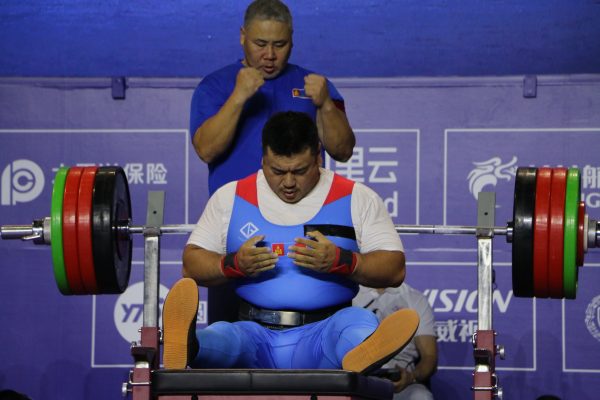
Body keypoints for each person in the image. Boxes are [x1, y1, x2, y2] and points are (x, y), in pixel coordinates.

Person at [162, 111, 418, 373]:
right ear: (263, 159)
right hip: (255, 333)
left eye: (300, 171)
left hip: (326, 330)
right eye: (277, 171)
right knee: (226, 336)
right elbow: (191, 264)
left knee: (355, 323)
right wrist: (233, 264)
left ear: (318, 157)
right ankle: (188, 346)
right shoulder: (230, 197)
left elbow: (394, 269)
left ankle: (364, 348)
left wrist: (342, 261)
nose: (288, 182)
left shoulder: (357, 197)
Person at [190, 0, 355, 195]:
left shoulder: (316, 85)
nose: (269, 54)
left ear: (291, 40)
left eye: (279, 45)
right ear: (243, 36)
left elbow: (343, 152)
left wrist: (326, 104)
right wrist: (237, 97)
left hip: (303, 207)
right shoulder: (214, 86)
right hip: (237, 207)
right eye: (260, 44)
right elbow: (206, 151)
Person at [354, 284, 438, 400]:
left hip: (401, 382)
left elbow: (429, 356)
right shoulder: (350, 294)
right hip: (357, 379)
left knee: (421, 397)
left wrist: (411, 377)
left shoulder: (414, 298)